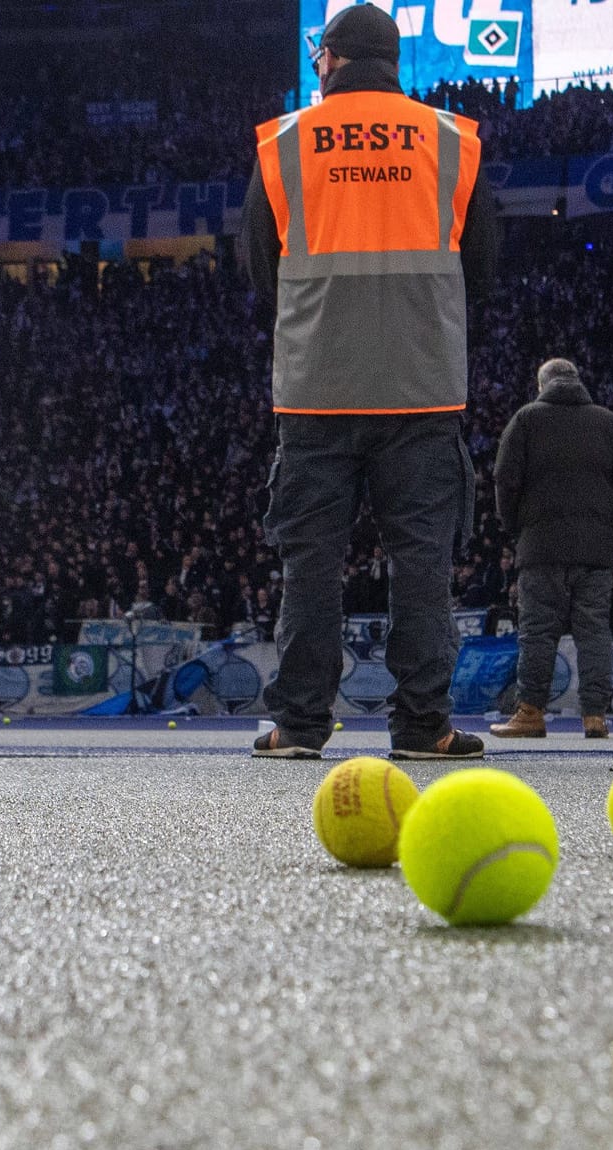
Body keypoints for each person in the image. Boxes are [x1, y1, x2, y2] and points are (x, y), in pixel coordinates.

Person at [243, 2, 498, 760]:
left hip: (316, 388)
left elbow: (263, 273)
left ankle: (298, 726)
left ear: (332, 60)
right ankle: (423, 727)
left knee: (311, 564)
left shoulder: (285, 144)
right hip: (421, 389)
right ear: (393, 62)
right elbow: (479, 270)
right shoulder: (451, 142)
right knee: (422, 562)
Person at [489, 359, 613, 739]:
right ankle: (594, 716)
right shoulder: (608, 423)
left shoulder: (526, 419)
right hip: (594, 549)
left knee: (538, 632)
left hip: (540, 547)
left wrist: (515, 529)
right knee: (594, 633)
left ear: (542, 385)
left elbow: (504, 480)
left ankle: (530, 712)